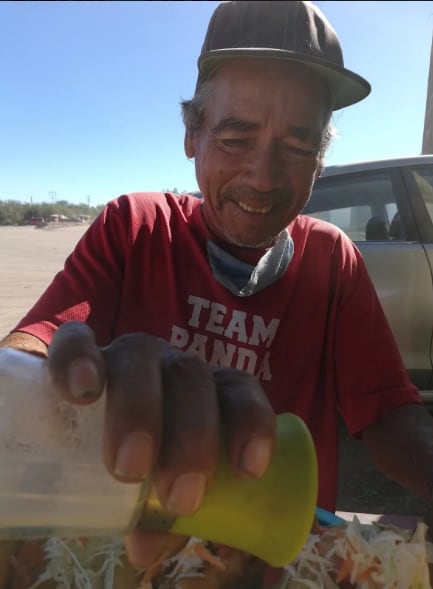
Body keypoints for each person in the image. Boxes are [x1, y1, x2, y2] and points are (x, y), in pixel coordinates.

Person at [2, 0, 433, 586]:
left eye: (298, 145)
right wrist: (56, 389)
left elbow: (387, 412)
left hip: (281, 560)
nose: (263, 176)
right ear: (192, 134)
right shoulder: (136, 227)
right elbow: (31, 354)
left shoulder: (333, 259)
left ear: (321, 158)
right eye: (235, 135)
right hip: (127, 557)